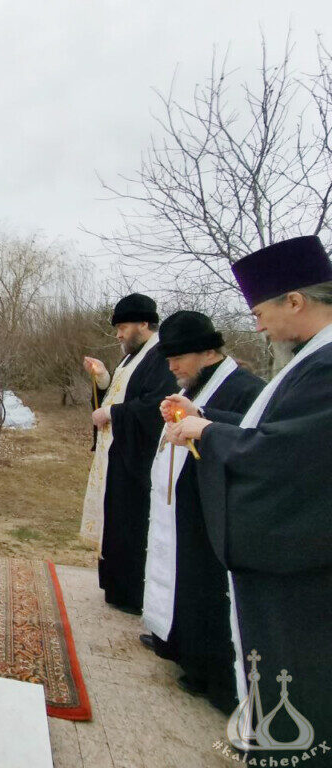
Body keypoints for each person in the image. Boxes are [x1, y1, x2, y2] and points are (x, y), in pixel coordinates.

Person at [167, 236, 332, 755]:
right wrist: (207, 418)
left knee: (296, 677)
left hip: (299, 562)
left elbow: (285, 452)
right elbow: (271, 428)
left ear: (295, 301)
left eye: (260, 312)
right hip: (288, 556)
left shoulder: (326, 365)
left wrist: (207, 433)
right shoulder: (310, 359)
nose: (257, 326)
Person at [140, 312, 263, 711]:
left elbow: (254, 436)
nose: (172, 367)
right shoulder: (198, 384)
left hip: (217, 512)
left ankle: (214, 677)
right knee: (186, 580)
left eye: (178, 358)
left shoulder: (246, 388)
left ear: (208, 352)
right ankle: (181, 648)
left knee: (209, 592)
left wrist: (202, 419)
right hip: (186, 508)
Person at [80, 293, 177, 614]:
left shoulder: (160, 356)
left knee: (131, 522)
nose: (119, 335)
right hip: (116, 454)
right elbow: (118, 394)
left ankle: (133, 594)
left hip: (137, 459)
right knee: (116, 519)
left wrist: (111, 414)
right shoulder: (131, 358)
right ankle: (116, 587)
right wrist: (102, 379)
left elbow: (154, 406)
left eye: (123, 328)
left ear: (144, 323)